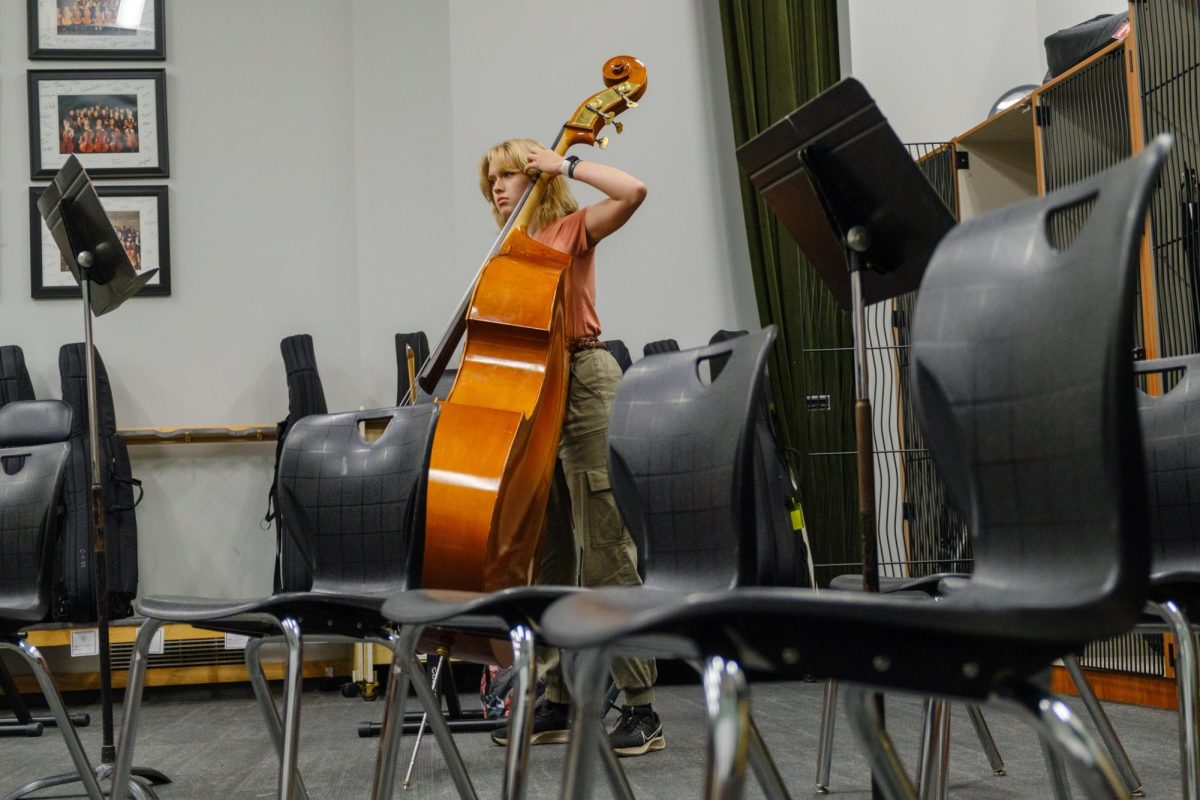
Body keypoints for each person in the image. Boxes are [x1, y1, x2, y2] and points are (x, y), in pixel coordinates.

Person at [480, 138, 663, 757]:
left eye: (509, 174)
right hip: (532, 393)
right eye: (493, 180)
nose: (500, 186)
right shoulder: (505, 253)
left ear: (535, 177)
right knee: (548, 551)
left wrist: (569, 164)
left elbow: (632, 191)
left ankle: (642, 709)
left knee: (604, 544)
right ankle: (555, 699)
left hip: (583, 380)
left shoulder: (568, 230)